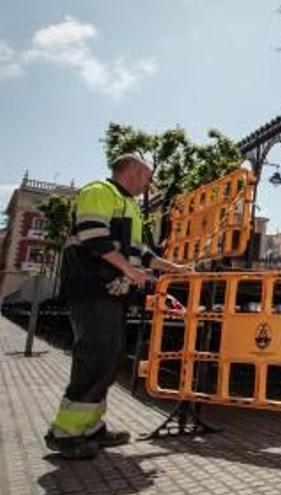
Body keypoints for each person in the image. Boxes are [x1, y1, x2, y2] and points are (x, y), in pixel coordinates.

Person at [45, 154, 190, 460]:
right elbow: (93, 236)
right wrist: (128, 269)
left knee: (108, 359)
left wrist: (174, 267)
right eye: (147, 176)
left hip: (110, 293)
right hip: (91, 288)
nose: (149, 183)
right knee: (95, 358)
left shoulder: (131, 207)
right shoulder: (99, 191)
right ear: (133, 171)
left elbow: (141, 253)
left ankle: (90, 427)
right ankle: (65, 434)